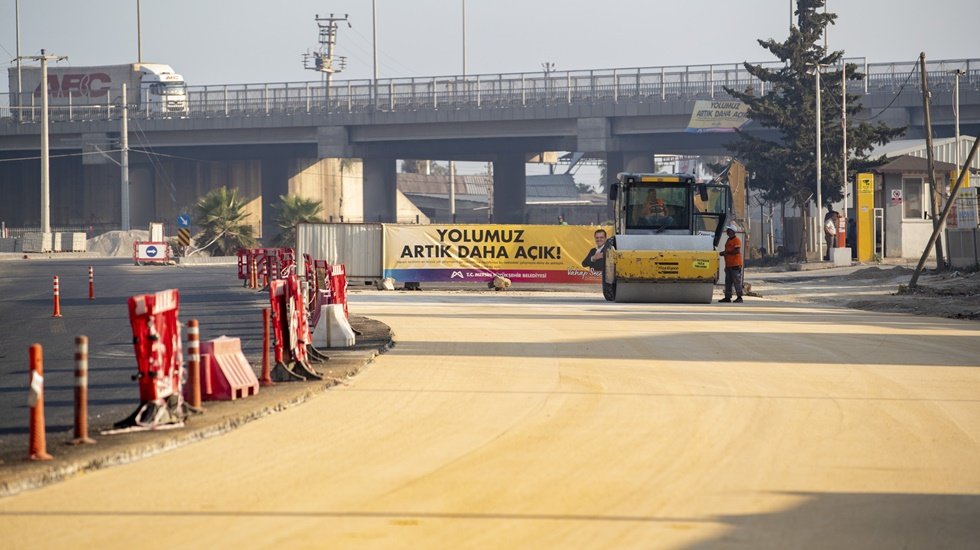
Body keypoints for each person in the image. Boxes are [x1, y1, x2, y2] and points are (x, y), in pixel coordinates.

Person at [718, 224, 743, 303]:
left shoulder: (737, 240)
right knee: (728, 281)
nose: (727, 232)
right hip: (729, 265)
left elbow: (737, 251)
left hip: (735, 265)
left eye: (729, 230)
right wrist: (724, 253)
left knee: (736, 281)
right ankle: (727, 297)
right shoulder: (729, 240)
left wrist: (726, 253)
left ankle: (739, 297)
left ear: (732, 231)